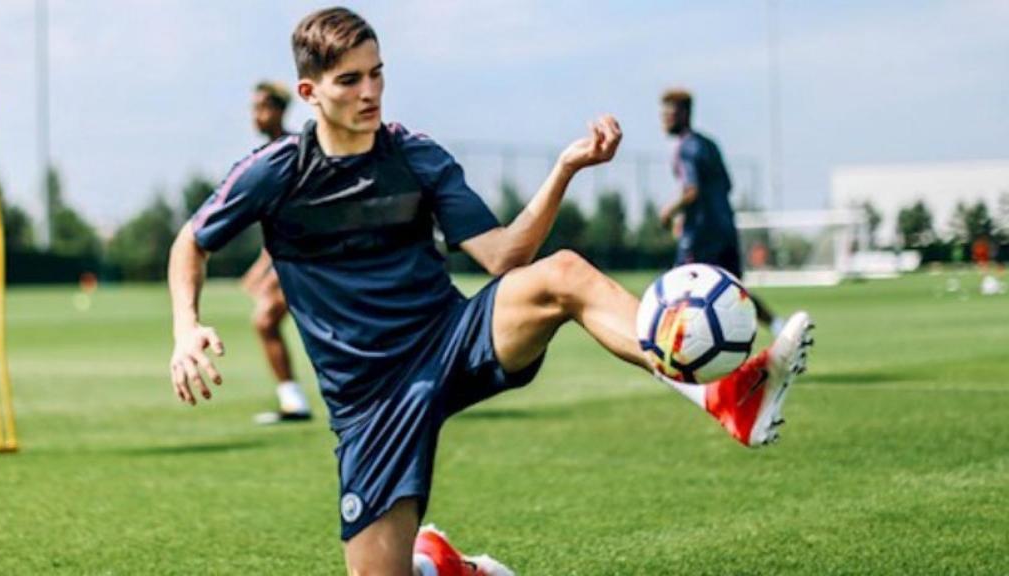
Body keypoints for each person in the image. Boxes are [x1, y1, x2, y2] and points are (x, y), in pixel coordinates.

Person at [168, 8, 813, 575]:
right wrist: (186, 327)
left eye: (377, 73)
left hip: (449, 341)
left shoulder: (414, 155)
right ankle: (438, 563)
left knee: (562, 274)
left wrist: (565, 169)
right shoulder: (276, 171)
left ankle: (728, 392)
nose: (370, 92)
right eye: (350, 80)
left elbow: (505, 257)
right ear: (310, 92)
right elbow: (190, 243)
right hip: (368, 403)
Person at [659, 89, 785, 335]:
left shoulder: (685, 148)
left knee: (677, 292)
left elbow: (692, 190)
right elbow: (727, 185)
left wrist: (669, 212)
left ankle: (672, 349)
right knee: (732, 293)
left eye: (668, 114)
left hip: (700, 237)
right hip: (725, 229)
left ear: (683, 114)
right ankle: (779, 327)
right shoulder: (709, 145)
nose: (663, 120)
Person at [240, 81, 314, 424]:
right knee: (266, 321)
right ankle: (293, 401)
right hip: (293, 260)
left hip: (313, 259)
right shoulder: (267, 155)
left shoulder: (293, 153)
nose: (255, 116)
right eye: (253, 109)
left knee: (268, 320)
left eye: (261, 108)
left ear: (279, 110)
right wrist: (264, 265)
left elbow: (300, 217)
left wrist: (274, 269)